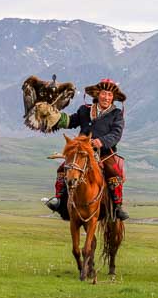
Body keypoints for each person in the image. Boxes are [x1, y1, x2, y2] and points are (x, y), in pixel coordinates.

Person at [45, 78, 129, 220]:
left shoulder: (117, 115)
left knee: (114, 173)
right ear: (97, 94)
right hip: (82, 151)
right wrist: (56, 117)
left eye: (109, 95)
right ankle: (58, 200)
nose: (106, 98)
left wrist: (101, 141)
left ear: (113, 98)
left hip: (104, 153)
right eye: (104, 94)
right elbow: (72, 121)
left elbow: (116, 134)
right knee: (62, 169)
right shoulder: (85, 110)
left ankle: (117, 207)